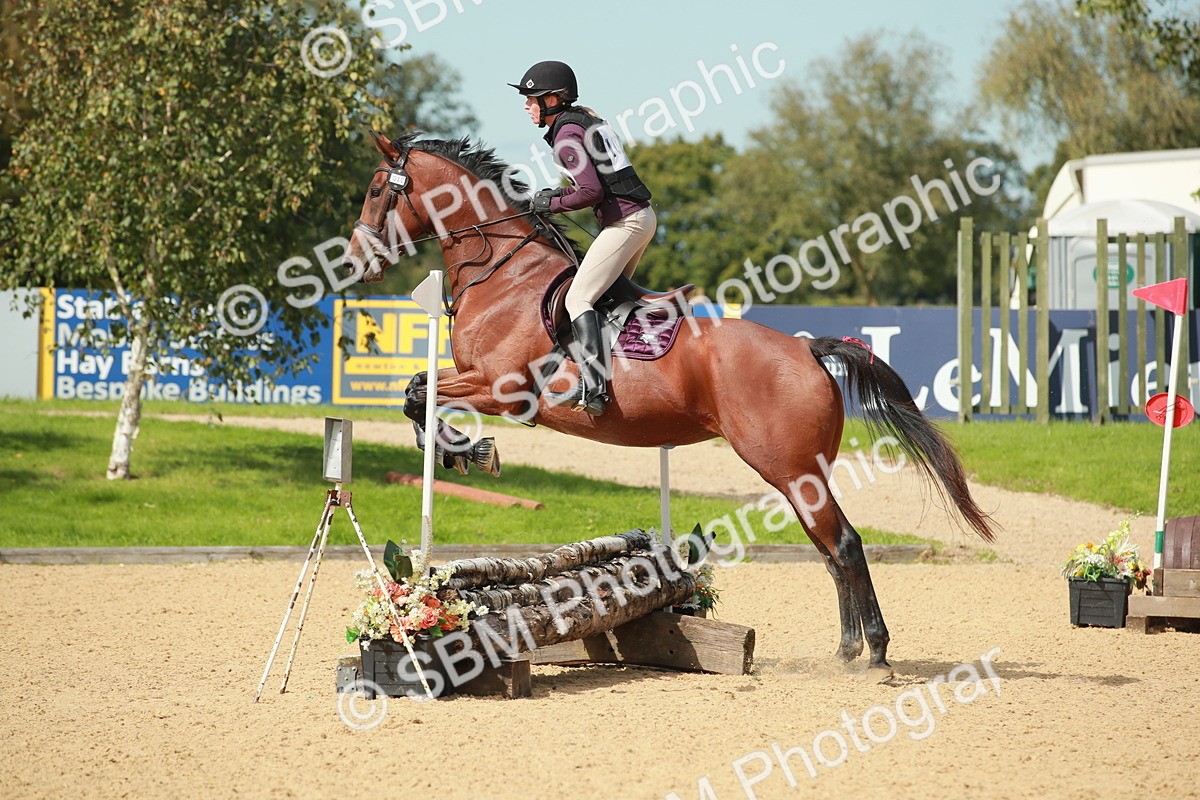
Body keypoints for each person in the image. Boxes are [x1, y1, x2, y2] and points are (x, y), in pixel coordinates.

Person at [509, 60, 656, 417]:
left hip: (626, 223)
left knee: (578, 299)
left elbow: (589, 191)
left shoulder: (566, 134)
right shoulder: (584, 120)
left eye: (532, 98)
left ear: (553, 100)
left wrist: (550, 202)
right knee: (609, 297)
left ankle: (594, 387)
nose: (526, 105)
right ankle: (640, 371)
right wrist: (556, 195)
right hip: (639, 218)